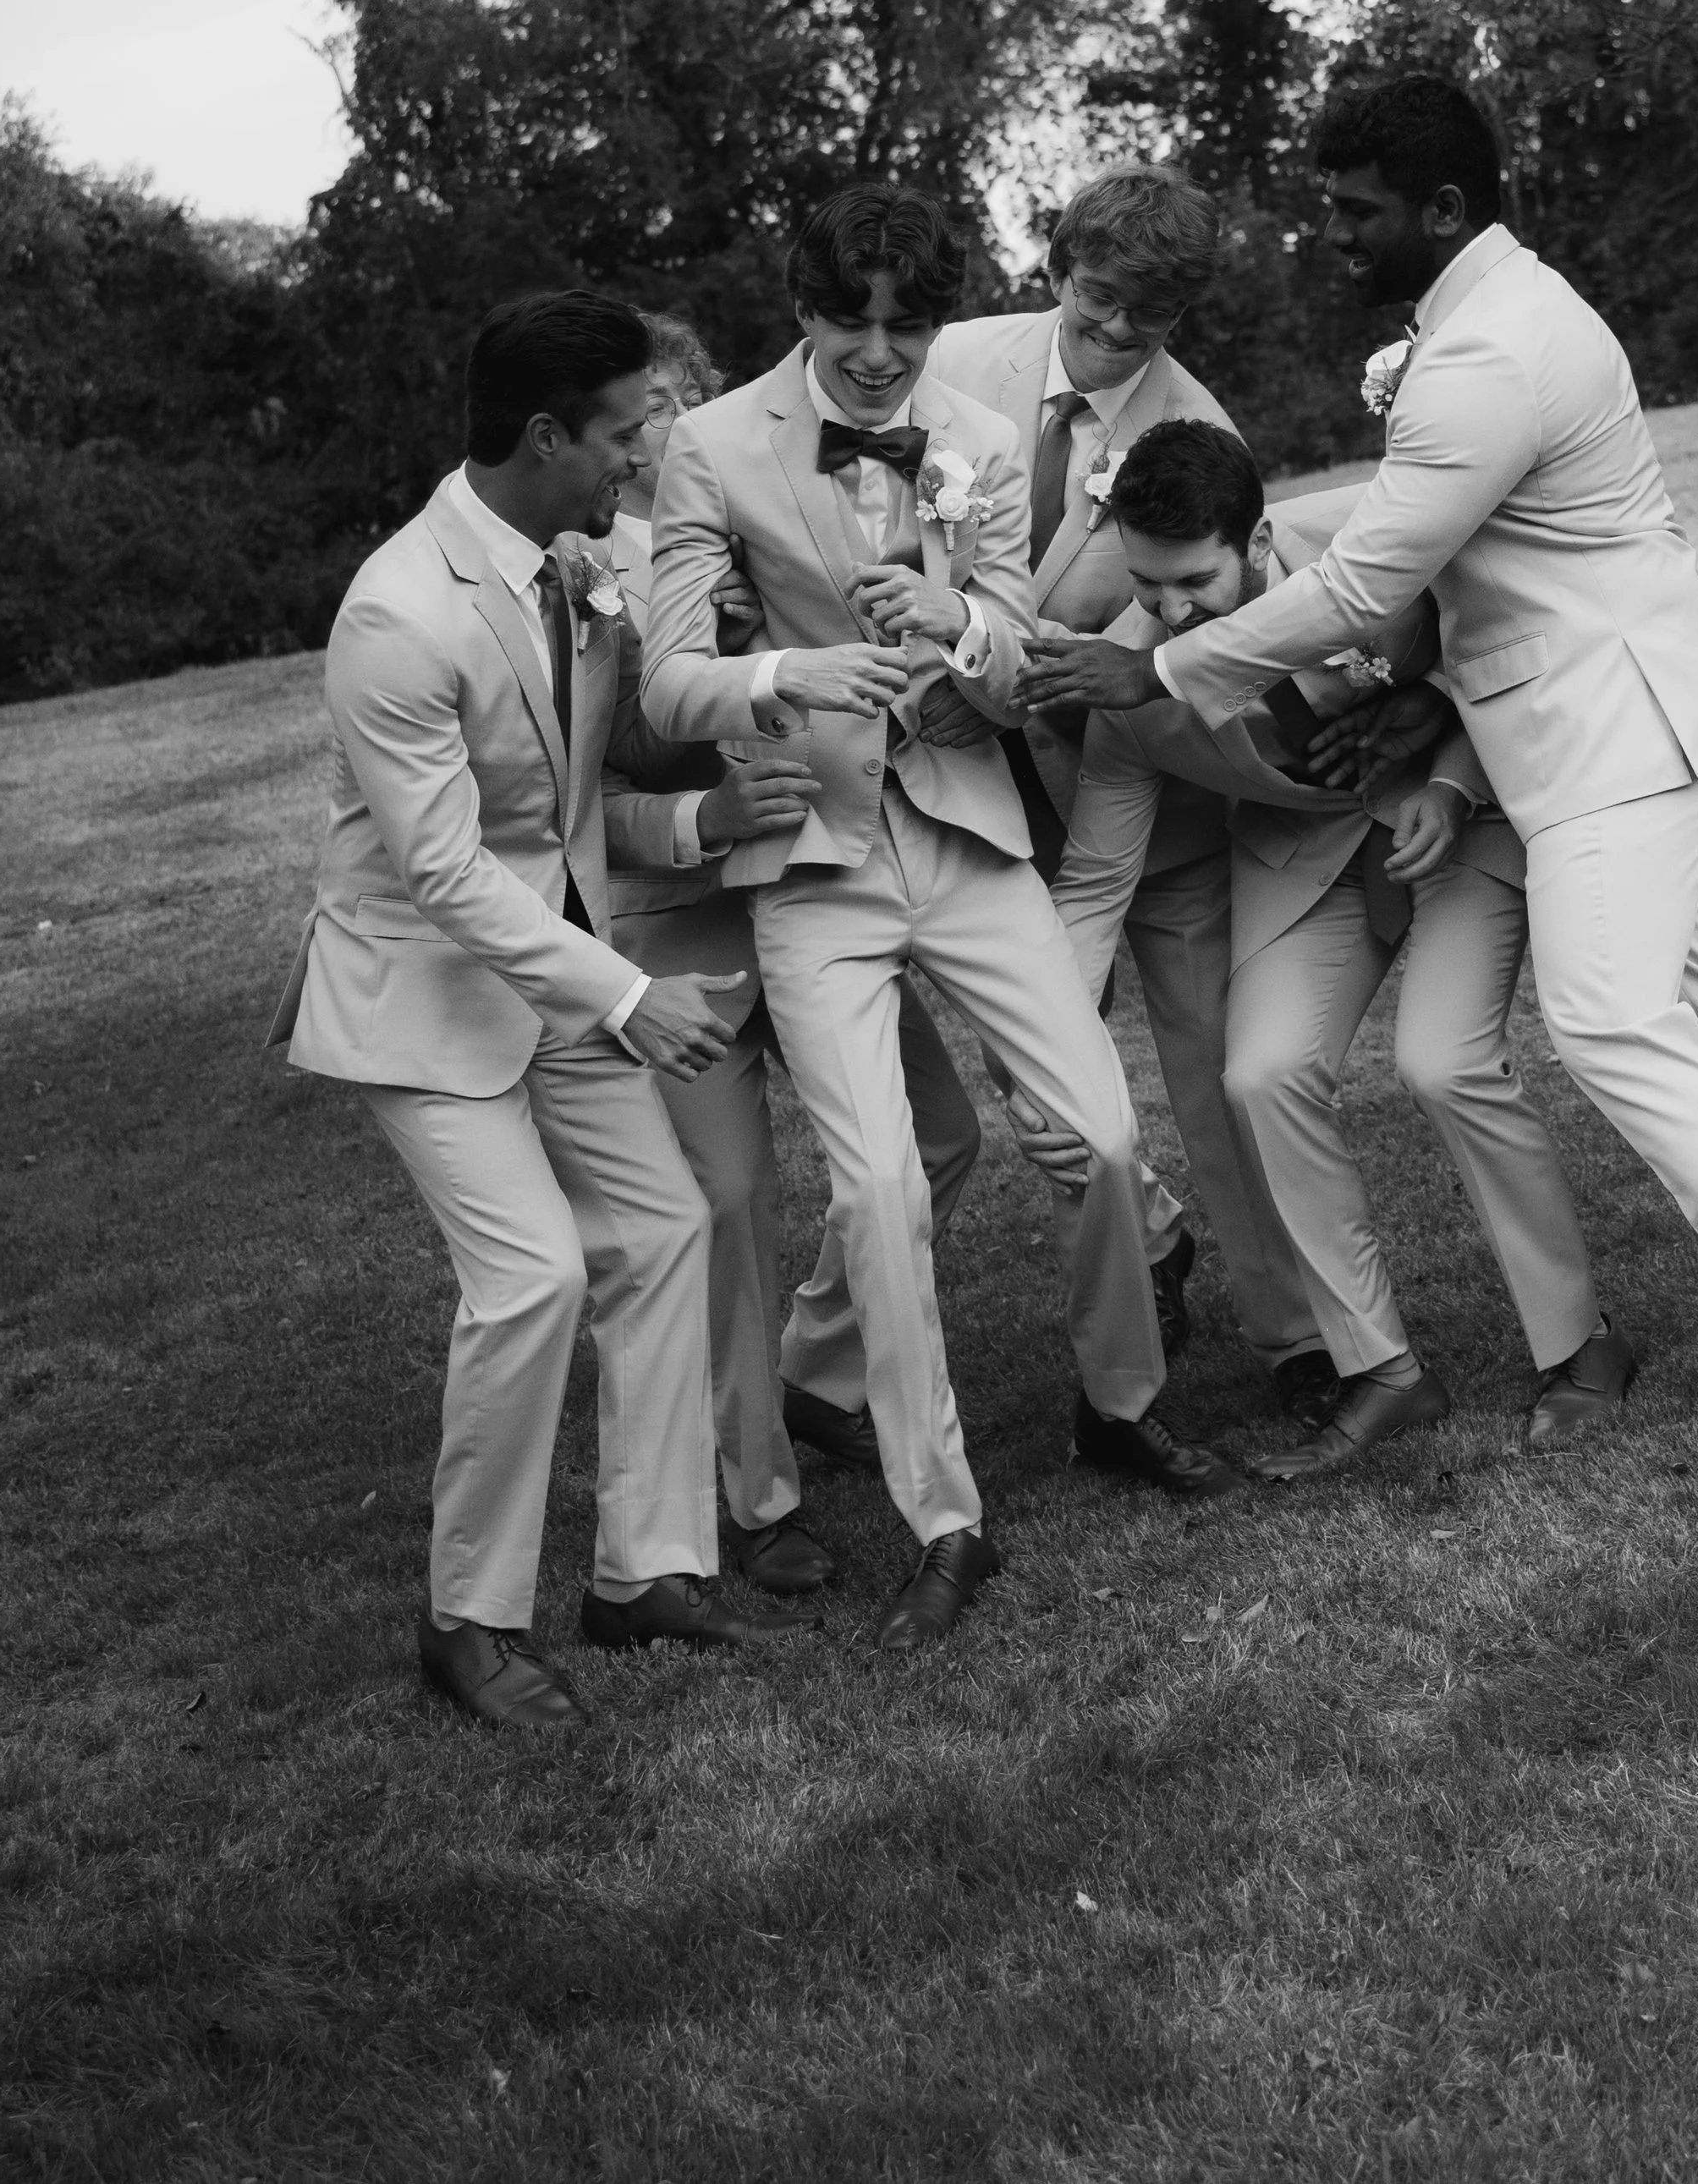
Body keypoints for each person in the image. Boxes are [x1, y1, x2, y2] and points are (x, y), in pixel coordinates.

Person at [1019, 76, 1698, 1524]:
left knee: (1611, 1019)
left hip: (1611, 730)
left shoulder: (1487, 356)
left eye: (1356, 214)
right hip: (1632, 709)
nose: (1334, 238)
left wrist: (1153, 659)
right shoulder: (1487, 322)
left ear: (1444, 210)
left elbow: (1360, 584)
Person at [640, 184, 1237, 1651]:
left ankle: (1122, 1405)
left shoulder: (969, 435)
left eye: (907, 323)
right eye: (853, 320)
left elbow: (1018, 646)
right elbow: (664, 683)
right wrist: (785, 679)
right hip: (813, 861)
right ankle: (943, 1515)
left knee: (1100, 1136)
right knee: (882, 1192)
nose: (881, 351)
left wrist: (958, 623)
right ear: (805, 310)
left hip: (968, 829)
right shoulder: (712, 446)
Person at [267, 288, 808, 1736]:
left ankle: (646, 1573)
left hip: (555, 964)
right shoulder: (397, 612)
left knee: (666, 1227)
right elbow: (445, 873)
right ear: (542, 435)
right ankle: (467, 1619)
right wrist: (632, 993)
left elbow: (581, 799)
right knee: (533, 1279)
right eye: (626, 433)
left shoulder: (586, 557)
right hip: (424, 997)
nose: (645, 455)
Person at [1047, 420, 1632, 1473]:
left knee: (1440, 1059)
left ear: (1257, 538)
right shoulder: (1126, 683)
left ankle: (1580, 1345)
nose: (1169, 613)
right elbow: (1094, 879)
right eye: (1147, 585)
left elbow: (1496, 644)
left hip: (1464, 813)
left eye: (1193, 582)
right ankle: (1382, 1370)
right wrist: (1043, 1038)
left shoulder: (1371, 537)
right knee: (1261, 1072)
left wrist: (1449, 774)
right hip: (1305, 853)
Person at [604, 312, 982, 1594]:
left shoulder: (777, 517)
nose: (655, 428)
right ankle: (753, 1493)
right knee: (732, 1202)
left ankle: (817, 1369)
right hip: (682, 929)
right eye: (633, 409)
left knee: (942, 1136)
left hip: (821, 884)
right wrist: (696, 820)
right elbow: (559, 805)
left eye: (674, 399)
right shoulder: (578, 581)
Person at [926, 163, 1300, 1380]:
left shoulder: (1202, 427)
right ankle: (1147, 1244)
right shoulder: (953, 365)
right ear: (1055, 269)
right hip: (985, 789)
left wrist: (1098, 659)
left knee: (1211, 1068)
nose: (1121, 333)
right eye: (1099, 303)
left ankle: (1294, 1332)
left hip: (1152, 789)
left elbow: (1193, 622)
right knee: (1035, 1058)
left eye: (1153, 315)